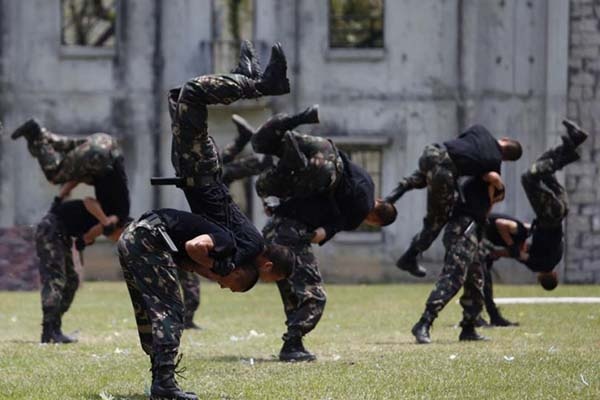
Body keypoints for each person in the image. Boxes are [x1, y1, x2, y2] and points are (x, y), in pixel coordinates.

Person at [132, 41, 296, 399]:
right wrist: (216, 271)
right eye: (269, 276)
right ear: (266, 263)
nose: (262, 281)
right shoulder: (249, 246)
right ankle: (263, 85)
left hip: (198, 174)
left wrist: (201, 267)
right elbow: (216, 264)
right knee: (193, 92)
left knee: (179, 98)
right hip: (201, 173)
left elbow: (207, 261)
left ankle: (245, 77)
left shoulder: (241, 244)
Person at [234, 108, 397, 361]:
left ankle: (290, 157)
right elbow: (327, 230)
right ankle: (292, 344)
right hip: (293, 231)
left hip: (281, 219)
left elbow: (323, 206)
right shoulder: (359, 210)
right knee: (314, 297)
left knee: (290, 287)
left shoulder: (362, 179)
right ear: (375, 219)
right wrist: (322, 232)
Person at [384, 125, 522, 277]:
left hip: (432, 152)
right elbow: (490, 178)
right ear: (506, 159)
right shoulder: (494, 161)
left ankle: (391, 197)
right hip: (445, 172)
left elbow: (460, 146)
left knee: (429, 173)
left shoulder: (480, 130)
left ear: (505, 139)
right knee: (437, 220)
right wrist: (500, 186)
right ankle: (409, 258)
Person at [491, 119, 588, 291]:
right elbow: (519, 254)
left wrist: (529, 231)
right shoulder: (537, 265)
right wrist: (500, 252)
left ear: (555, 274)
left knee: (541, 167)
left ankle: (571, 144)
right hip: (549, 216)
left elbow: (539, 242)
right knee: (528, 178)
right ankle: (569, 153)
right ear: (540, 278)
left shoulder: (555, 258)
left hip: (562, 209)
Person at [411, 175, 503, 344]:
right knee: (453, 277)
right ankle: (424, 322)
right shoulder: (478, 182)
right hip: (462, 232)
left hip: (472, 235)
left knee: (475, 281)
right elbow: (493, 177)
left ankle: (468, 328)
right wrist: (498, 186)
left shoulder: (478, 193)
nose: (494, 202)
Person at [37, 196, 128, 344]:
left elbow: (86, 237)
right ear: (120, 226)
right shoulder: (109, 219)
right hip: (51, 229)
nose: (120, 240)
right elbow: (88, 201)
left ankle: (54, 328)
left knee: (72, 281)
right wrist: (103, 223)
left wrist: (84, 240)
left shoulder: (104, 227)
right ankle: (48, 331)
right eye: (123, 235)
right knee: (56, 279)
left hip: (62, 234)